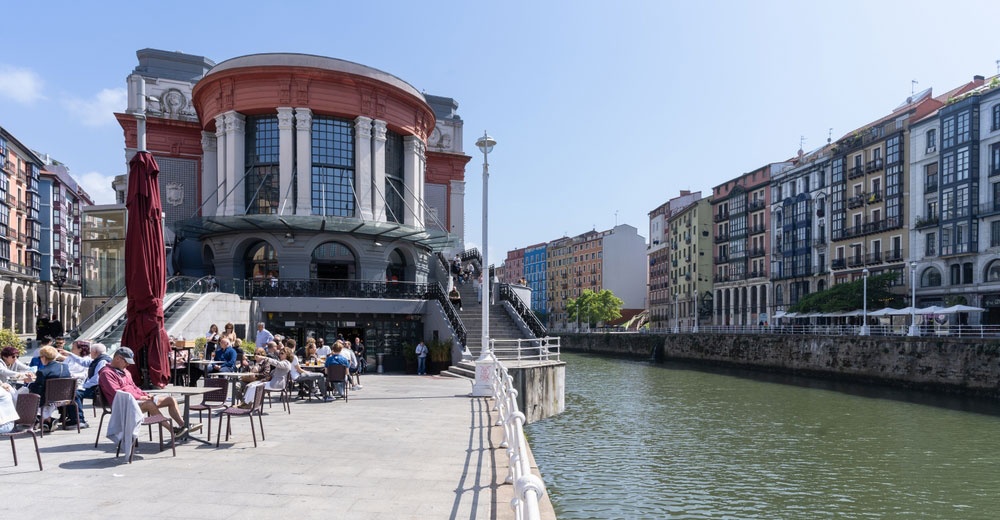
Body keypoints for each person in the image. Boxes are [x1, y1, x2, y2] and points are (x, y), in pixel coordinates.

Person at [98, 347, 187, 436]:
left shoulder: (125, 371)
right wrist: (140, 397)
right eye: (126, 362)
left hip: (136, 401)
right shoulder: (106, 373)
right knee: (150, 404)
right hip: (123, 405)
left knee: (170, 400)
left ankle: (183, 426)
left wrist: (145, 395)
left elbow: (134, 387)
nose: (128, 365)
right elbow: (118, 393)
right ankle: (173, 431)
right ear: (117, 358)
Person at [27, 345, 71, 430]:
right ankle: (47, 421)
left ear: (43, 357)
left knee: (24, 393)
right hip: (65, 397)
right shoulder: (65, 367)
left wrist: (30, 383)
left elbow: (37, 390)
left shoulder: (42, 371)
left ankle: (43, 420)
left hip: (49, 399)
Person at [73, 342, 110, 427]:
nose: (90, 353)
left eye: (91, 351)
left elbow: (97, 379)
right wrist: (69, 354)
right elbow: (83, 362)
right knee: (75, 392)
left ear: (95, 352)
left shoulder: (103, 361)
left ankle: (79, 420)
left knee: (75, 394)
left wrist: (83, 386)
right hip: (96, 388)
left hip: (98, 390)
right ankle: (75, 418)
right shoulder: (99, 359)